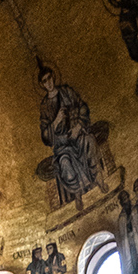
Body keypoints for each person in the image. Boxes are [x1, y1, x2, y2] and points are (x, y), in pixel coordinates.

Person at [36, 64, 100, 204]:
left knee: (89, 141)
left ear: (53, 76)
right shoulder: (45, 106)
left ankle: (98, 180)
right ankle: (78, 193)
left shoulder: (66, 92)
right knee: (64, 162)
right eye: (45, 81)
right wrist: (56, 121)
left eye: (49, 78)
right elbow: (45, 136)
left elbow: (82, 107)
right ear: (42, 84)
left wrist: (78, 126)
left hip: (77, 136)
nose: (49, 83)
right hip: (62, 146)